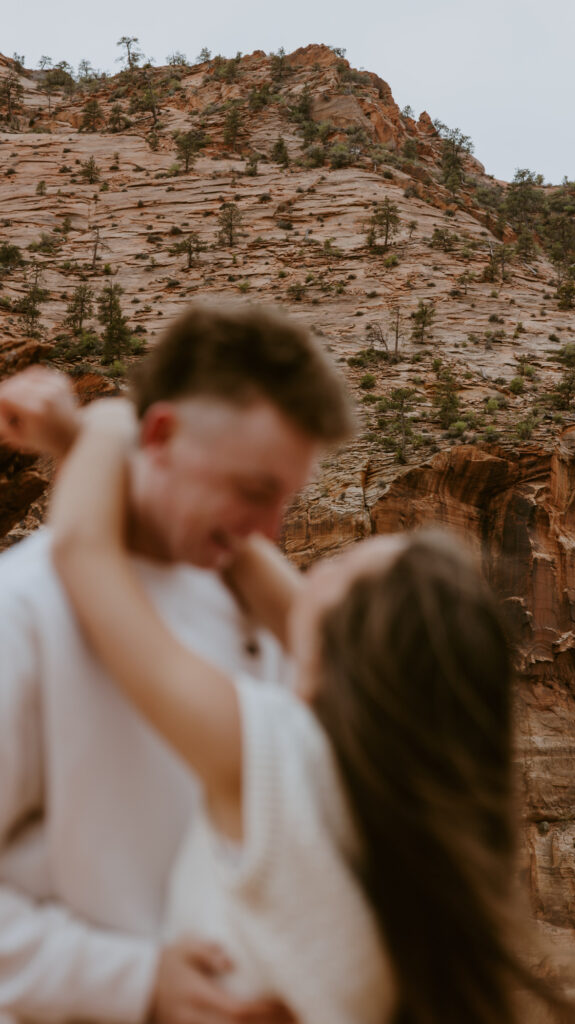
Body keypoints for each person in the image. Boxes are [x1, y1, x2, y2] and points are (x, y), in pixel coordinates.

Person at [8, 388, 575, 1024]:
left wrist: (108, 425)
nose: (312, 569)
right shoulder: (407, 813)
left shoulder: (277, 761)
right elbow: (259, 572)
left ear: (343, 648)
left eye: (343, 564)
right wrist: (151, 466)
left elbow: (85, 554)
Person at [0, 304, 353, 1024]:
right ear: (159, 435)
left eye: (286, 499)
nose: (269, 530)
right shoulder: (24, 609)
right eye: (254, 491)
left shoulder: (259, 613)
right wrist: (129, 980)